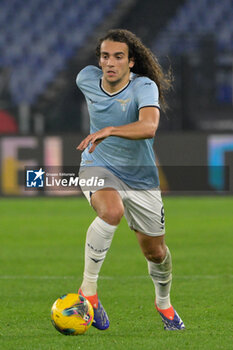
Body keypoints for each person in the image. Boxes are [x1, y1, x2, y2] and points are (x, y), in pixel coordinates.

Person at [76, 29, 185, 331]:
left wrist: (109, 129)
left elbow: (149, 126)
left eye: (118, 56)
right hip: (97, 165)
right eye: (105, 56)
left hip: (141, 178)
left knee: (156, 252)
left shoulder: (143, 87)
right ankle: (89, 293)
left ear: (131, 61)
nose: (110, 62)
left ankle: (163, 302)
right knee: (111, 212)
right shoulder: (86, 78)